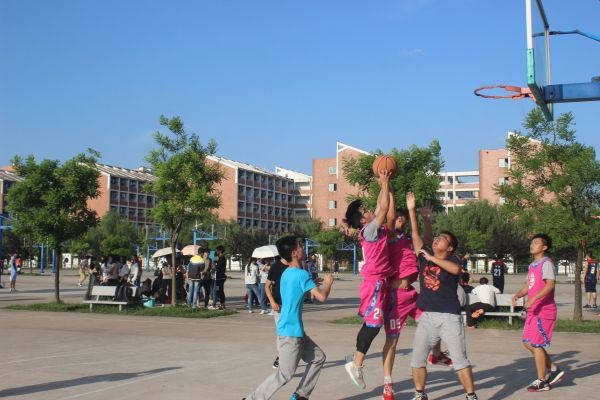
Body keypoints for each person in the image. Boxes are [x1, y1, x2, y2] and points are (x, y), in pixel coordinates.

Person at [242, 235, 334, 400]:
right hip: (291, 332)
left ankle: (300, 395)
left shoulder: (288, 273)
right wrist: (328, 283)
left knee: (318, 358)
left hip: (293, 329)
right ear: (294, 253)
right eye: (300, 246)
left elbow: (296, 288)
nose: (303, 248)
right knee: (284, 374)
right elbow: (321, 297)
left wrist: (312, 282)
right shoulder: (301, 274)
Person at [410, 212, 479, 400]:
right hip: (427, 317)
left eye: (442, 238)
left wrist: (431, 258)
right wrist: (414, 212)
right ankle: (420, 394)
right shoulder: (424, 257)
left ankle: (471, 396)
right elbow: (416, 236)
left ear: (450, 248)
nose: (437, 239)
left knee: (460, 360)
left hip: (449, 317)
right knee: (417, 359)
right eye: (437, 237)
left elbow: (456, 270)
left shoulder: (453, 260)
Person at [343, 169, 394, 389]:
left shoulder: (373, 228)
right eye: (365, 210)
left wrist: (386, 184)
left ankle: (355, 359)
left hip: (378, 282)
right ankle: (356, 364)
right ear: (363, 219)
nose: (370, 210)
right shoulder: (370, 230)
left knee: (371, 324)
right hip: (375, 284)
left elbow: (383, 207)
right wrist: (384, 183)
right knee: (373, 325)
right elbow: (383, 208)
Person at [380, 192, 422, 400]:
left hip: (411, 294)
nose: (399, 218)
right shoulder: (387, 237)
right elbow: (388, 217)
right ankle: (387, 384)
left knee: (434, 323)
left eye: (401, 217)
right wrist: (388, 189)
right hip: (395, 298)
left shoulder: (406, 239)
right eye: (397, 216)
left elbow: (418, 237)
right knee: (393, 341)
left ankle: (436, 353)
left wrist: (412, 211)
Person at [512, 234, 564, 392]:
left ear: (544, 247)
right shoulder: (532, 265)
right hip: (534, 311)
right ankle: (554, 369)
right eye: (531, 242)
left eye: (536, 242)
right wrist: (518, 295)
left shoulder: (546, 263)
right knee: (528, 342)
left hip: (544, 310)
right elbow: (529, 285)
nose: (532, 245)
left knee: (536, 344)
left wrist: (533, 299)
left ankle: (542, 381)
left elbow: (550, 285)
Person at [265, 254, 289, 369]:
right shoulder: (275, 266)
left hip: (292, 307)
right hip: (279, 306)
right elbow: (267, 286)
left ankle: (291, 355)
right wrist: (272, 302)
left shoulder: (296, 267)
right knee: (281, 332)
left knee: (292, 333)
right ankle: (280, 356)